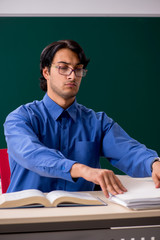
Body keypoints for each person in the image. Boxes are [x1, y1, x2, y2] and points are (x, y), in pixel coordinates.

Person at [4, 39, 160, 198]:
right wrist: (82, 170)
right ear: (46, 72)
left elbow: (128, 151)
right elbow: (31, 153)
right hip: (26, 212)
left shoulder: (97, 122)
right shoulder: (20, 118)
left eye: (78, 69)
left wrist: (154, 164)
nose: (72, 76)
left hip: (82, 213)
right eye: (63, 68)